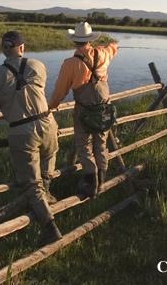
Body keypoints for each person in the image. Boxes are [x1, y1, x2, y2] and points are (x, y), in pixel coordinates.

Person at [0, 31, 62, 248]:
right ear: (22, 49)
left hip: (22, 130)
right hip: (48, 123)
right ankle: (47, 197)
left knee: (30, 181)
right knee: (48, 160)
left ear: (3, 49)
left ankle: (49, 227)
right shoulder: (38, 65)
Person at [48, 22, 118, 199]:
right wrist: (113, 45)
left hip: (84, 109)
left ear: (74, 41)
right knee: (100, 145)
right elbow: (111, 49)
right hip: (103, 108)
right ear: (90, 40)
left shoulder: (70, 63)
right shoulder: (102, 53)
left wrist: (52, 105)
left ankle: (90, 183)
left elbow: (60, 89)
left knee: (84, 146)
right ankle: (101, 182)